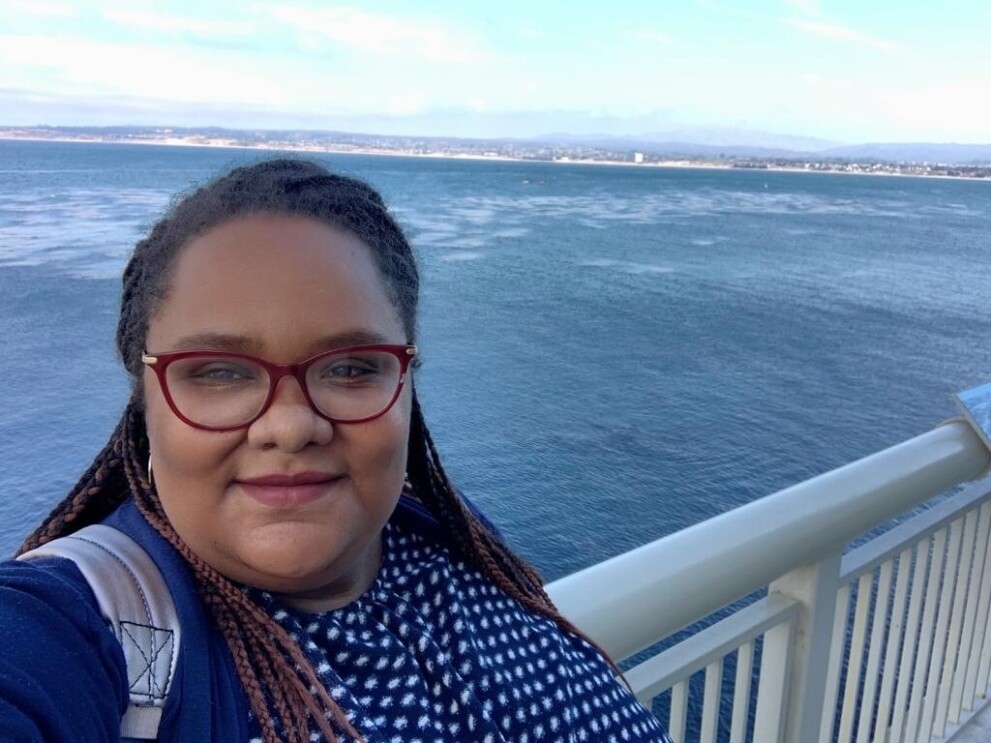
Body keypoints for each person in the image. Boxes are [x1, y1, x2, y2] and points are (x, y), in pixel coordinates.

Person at [0, 158, 672, 743]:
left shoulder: (445, 537)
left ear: (405, 378)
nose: (290, 426)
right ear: (145, 398)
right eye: (219, 371)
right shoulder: (82, 630)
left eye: (350, 367)